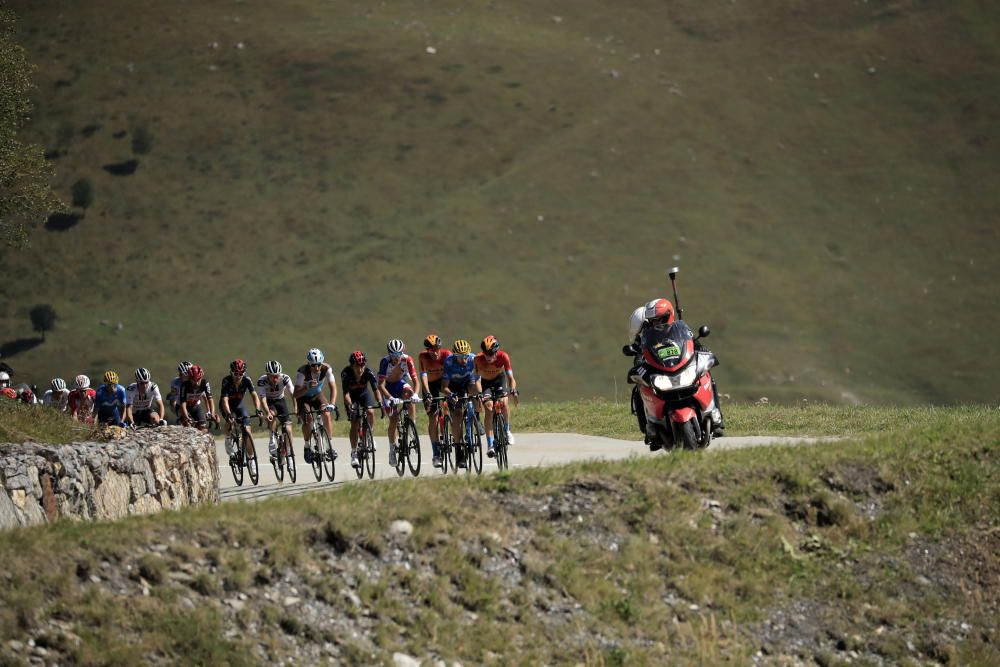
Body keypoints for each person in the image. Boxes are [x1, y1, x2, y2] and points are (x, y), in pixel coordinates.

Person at [474, 335, 519, 457]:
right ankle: (490, 444)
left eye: (491, 353)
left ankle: (507, 430)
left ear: (496, 351)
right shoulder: (478, 359)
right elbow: (476, 380)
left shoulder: (503, 356)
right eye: (485, 353)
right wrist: (479, 393)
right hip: (485, 383)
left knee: (504, 403)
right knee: (489, 408)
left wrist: (513, 389)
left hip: (499, 380)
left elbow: (511, 378)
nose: (488, 357)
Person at [377, 339, 420, 468]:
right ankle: (392, 450)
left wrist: (416, 394)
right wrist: (390, 398)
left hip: (400, 383)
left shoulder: (407, 359)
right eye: (393, 355)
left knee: (410, 395)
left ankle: (412, 426)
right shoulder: (385, 361)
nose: (396, 358)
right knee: (394, 419)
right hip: (387, 389)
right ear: (389, 354)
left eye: (398, 355)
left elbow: (416, 380)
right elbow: (380, 385)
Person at [440, 339, 482, 469]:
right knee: (457, 414)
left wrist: (479, 394)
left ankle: (476, 418)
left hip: (467, 383)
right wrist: (451, 395)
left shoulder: (473, 359)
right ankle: (459, 452)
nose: (464, 359)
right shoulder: (449, 362)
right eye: (460, 356)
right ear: (454, 355)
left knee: (475, 392)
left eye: (466, 356)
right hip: (453, 387)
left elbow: (478, 379)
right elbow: (444, 387)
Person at [293, 348, 338, 464]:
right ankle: (307, 446)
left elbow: (333, 387)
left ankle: (329, 447)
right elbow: (296, 394)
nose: (317, 368)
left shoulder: (326, 368)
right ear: (309, 364)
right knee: (308, 420)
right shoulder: (302, 372)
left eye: (318, 365)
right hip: (303, 398)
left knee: (326, 414)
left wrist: (332, 404)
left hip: (317, 395)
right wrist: (306, 387)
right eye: (313, 365)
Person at [220, 359, 267, 464]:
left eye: (241, 373)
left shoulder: (247, 380)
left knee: (248, 431)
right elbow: (225, 399)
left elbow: (254, 395)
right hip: (227, 405)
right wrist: (228, 414)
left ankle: (251, 460)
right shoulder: (226, 381)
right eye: (236, 373)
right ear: (231, 372)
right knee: (230, 421)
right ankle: (228, 439)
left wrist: (258, 409)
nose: (238, 376)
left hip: (239, 405)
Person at [341, 350, 381, 469]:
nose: (360, 368)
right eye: (357, 366)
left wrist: (380, 402)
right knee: (355, 422)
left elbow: (375, 390)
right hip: (351, 397)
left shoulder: (368, 372)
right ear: (352, 365)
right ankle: (354, 453)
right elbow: (346, 394)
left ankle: (369, 435)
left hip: (364, 394)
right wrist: (351, 406)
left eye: (362, 365)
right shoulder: (346, 374)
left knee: (370, 411)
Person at [418, 333, 451, 467]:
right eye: (431, 350)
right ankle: (436, 453)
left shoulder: (446, 354)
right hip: (430, 386)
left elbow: (450, 373)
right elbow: (424, 375)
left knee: (449, 407)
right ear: (427, 350)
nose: (435, 352)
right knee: (433, 417)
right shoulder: (423, 357)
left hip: (444, 383)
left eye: (437, 349)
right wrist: (426, 392)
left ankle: (449, 429)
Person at [257, 360, 296, 460]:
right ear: (267, 375)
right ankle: (272, 439)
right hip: (269, 402)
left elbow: (293, 394)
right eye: (272, 376)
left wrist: (296, 407)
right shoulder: (262, 380)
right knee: (272, 416)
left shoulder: (285, 378)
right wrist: (267, 412)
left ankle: (289, 451)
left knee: (288, 429)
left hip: (280, 401)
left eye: (277, 376)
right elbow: (263, 399)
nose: (275, 379)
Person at [178, 364, 215, 431]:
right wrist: (186, 417)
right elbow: (183, 404)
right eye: (193, 380)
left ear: (201, 377)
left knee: (203, 429)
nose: (196, 382)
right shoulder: (184, 385)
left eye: (198, 379)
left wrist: (212, 413)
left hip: (195, 406)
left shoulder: (205, 383)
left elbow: (210, 399)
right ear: (189, 378)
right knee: (187, 425)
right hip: (183, 407)